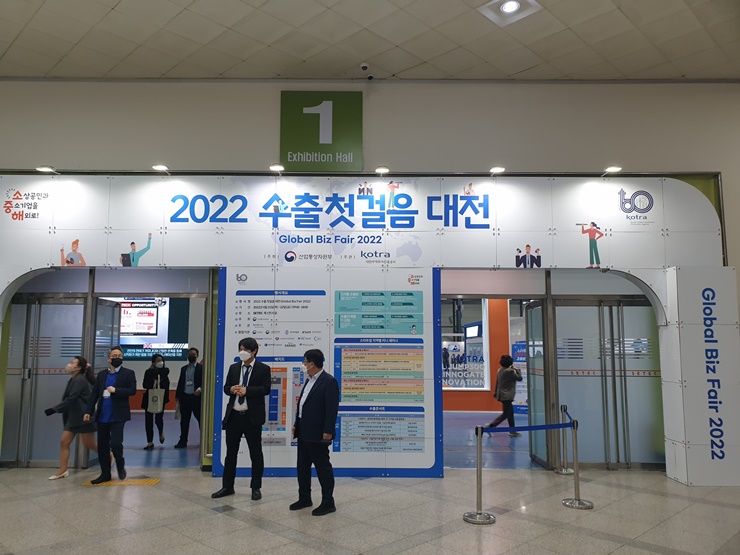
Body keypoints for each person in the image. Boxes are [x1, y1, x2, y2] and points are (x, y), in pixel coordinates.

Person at [212, 337, 271, 500]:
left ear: (254, 351)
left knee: (256, 454)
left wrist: (247, 390)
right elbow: (225, 388)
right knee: (231, 454)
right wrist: (232, 389)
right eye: (241, 349)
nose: (242, 352)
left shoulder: (263, 369)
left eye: (246, 350)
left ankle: (256, 487)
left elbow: (266, 389)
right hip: (234, 416)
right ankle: (227, 486)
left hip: (252, 418)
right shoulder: (234, 368)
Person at [290, 349, 339, 516]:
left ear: (312, 363)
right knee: (302, 467)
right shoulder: (309, 380)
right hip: (303, 430)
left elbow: (331, 410)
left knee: (322, 467)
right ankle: (304, 498)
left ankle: (328, 502)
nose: (303, 364)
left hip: (318, 433)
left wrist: (328, 431)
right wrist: (297, 424)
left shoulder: (329, 381)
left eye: (305, 361)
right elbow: (303, 405)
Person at [84, 346, 136, 483]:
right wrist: (88, 411)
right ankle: (105, 473)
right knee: (103, 446)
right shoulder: (102, 375)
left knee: (116, 443)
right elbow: (94, 394)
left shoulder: (128, 373)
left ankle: (120, 464)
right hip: (102, 415)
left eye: (119, 356)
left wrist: (116, 390)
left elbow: (132, 390)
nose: (117, 358)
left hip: (118, 415)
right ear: (108, 359)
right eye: (114, 356)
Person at [44, 356, 98, 480]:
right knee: (64, 442)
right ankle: (63, 470)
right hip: (74, 417)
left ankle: (108, 455)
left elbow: (71, 398)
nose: (69, 364)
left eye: (73, 363)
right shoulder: (74, 379)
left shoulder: (79, 380)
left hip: (84, 418)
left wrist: (55, 409)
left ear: (78, 368)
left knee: (89, 443)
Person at [486, 354, 523, 437]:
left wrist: (496, 392)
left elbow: (497, 383)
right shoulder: (509, 371)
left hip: (502, 394)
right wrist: (517, 370)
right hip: (507, 396)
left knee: (510, 414)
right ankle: (490, 426)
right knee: (506, 414)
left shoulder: (500, 370)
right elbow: (519, 378)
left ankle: (512, 431)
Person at [175, 347, 203, 448]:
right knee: (184, 421)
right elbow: (180, 383)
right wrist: (177, 397)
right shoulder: (183, 369)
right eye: (189, 355)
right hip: (185, 398)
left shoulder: (201, 368)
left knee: (200, 420)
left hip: (196, 398)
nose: (191, 357)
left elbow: (205, 382)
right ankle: (183, 441)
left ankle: (203, 440)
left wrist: (200, 389)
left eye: (193, 355)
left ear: (197, 356)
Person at [142, 353, 170, 450]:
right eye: (158, 360)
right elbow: (145, 385)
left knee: (158, 419)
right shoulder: (148, 372)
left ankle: (160, 432)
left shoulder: (165, 371)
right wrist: (151, 371)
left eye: (161, 360)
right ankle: (150, 442)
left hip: (160, 399)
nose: (160, 362)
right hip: (149, 398)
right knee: (148, 420)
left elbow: (165, 383)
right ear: (153, 362)